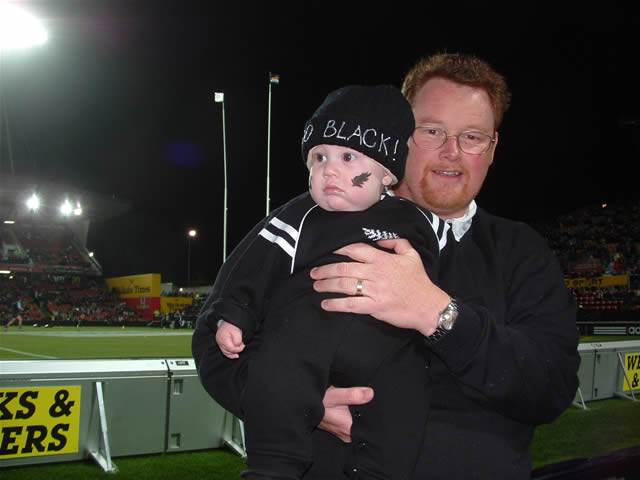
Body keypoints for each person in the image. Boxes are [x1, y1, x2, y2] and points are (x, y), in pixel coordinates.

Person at [194, 53, 581, 479]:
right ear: (398, 138)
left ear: (492, 149)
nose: (452, 151)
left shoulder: (521, 250)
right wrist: (295, 399)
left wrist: (437, 314)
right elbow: (215, 345)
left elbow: (553, 386)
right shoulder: (309, 220)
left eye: (472, 137)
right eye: (432, 131)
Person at [194, 85, 450, 479]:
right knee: (278, 372)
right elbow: (251, 269)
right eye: (319, 157)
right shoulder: (298, 216)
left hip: (385, 350)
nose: (329, 169)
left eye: (348, 157)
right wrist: (235, 316)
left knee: (406, 396)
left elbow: (445, 273)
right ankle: (273, 467)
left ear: (386, 173)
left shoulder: (417, 221)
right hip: (304, 342)